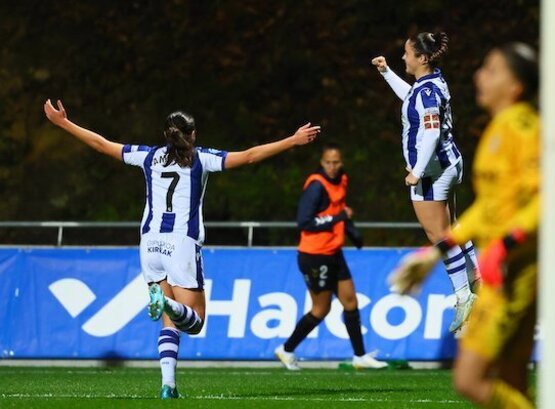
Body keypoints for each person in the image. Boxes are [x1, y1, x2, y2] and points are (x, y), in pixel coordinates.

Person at [43, 101, 320, 398]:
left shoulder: (148, 157)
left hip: (149, 243)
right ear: (193, 134)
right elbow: (250, 156)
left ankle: (168, 385)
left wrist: (64, 124)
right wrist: (291, 140)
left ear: (166, 134)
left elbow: (101, 144)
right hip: (181, 245)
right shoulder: (202, 159)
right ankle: (168, 307)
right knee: (195, 321)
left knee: (169, 321)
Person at [389, 42, 540, 409]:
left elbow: (547, 200)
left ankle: (464, 293)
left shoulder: (526, 131)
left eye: (491, 70)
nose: (478, 76)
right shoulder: (496, 132)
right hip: (505, 269)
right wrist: (433, 254)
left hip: (517, 273)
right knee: (510, 380)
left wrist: (506, 243)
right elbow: (488, 209)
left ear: (516, 87)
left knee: (469, 379)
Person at [371, 32, 480, 333]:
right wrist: (386, 73)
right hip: (450, 163)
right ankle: (477, 276)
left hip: (432, 172)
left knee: (439, 236)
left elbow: (430, 133)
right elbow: (412, 99)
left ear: (422, 58)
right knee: (454, 227)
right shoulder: (431, 84)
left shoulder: (427, 94)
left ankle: (463, 296)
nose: (403, 57)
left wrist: (417, 171)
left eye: (406, 53)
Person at [275, 143, 387, 370]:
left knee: (350, 302)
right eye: (328, 162)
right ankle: (286, 350)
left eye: (336, 162)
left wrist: (354, 234)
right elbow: (304, 222)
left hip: (334, 252)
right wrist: (338, 219)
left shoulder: (342, 180)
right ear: (321, 162)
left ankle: (359, 357)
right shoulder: (316, 186)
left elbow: (341, 211)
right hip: (314, 255)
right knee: (321, 309)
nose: (332, 167)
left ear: (342, 162)